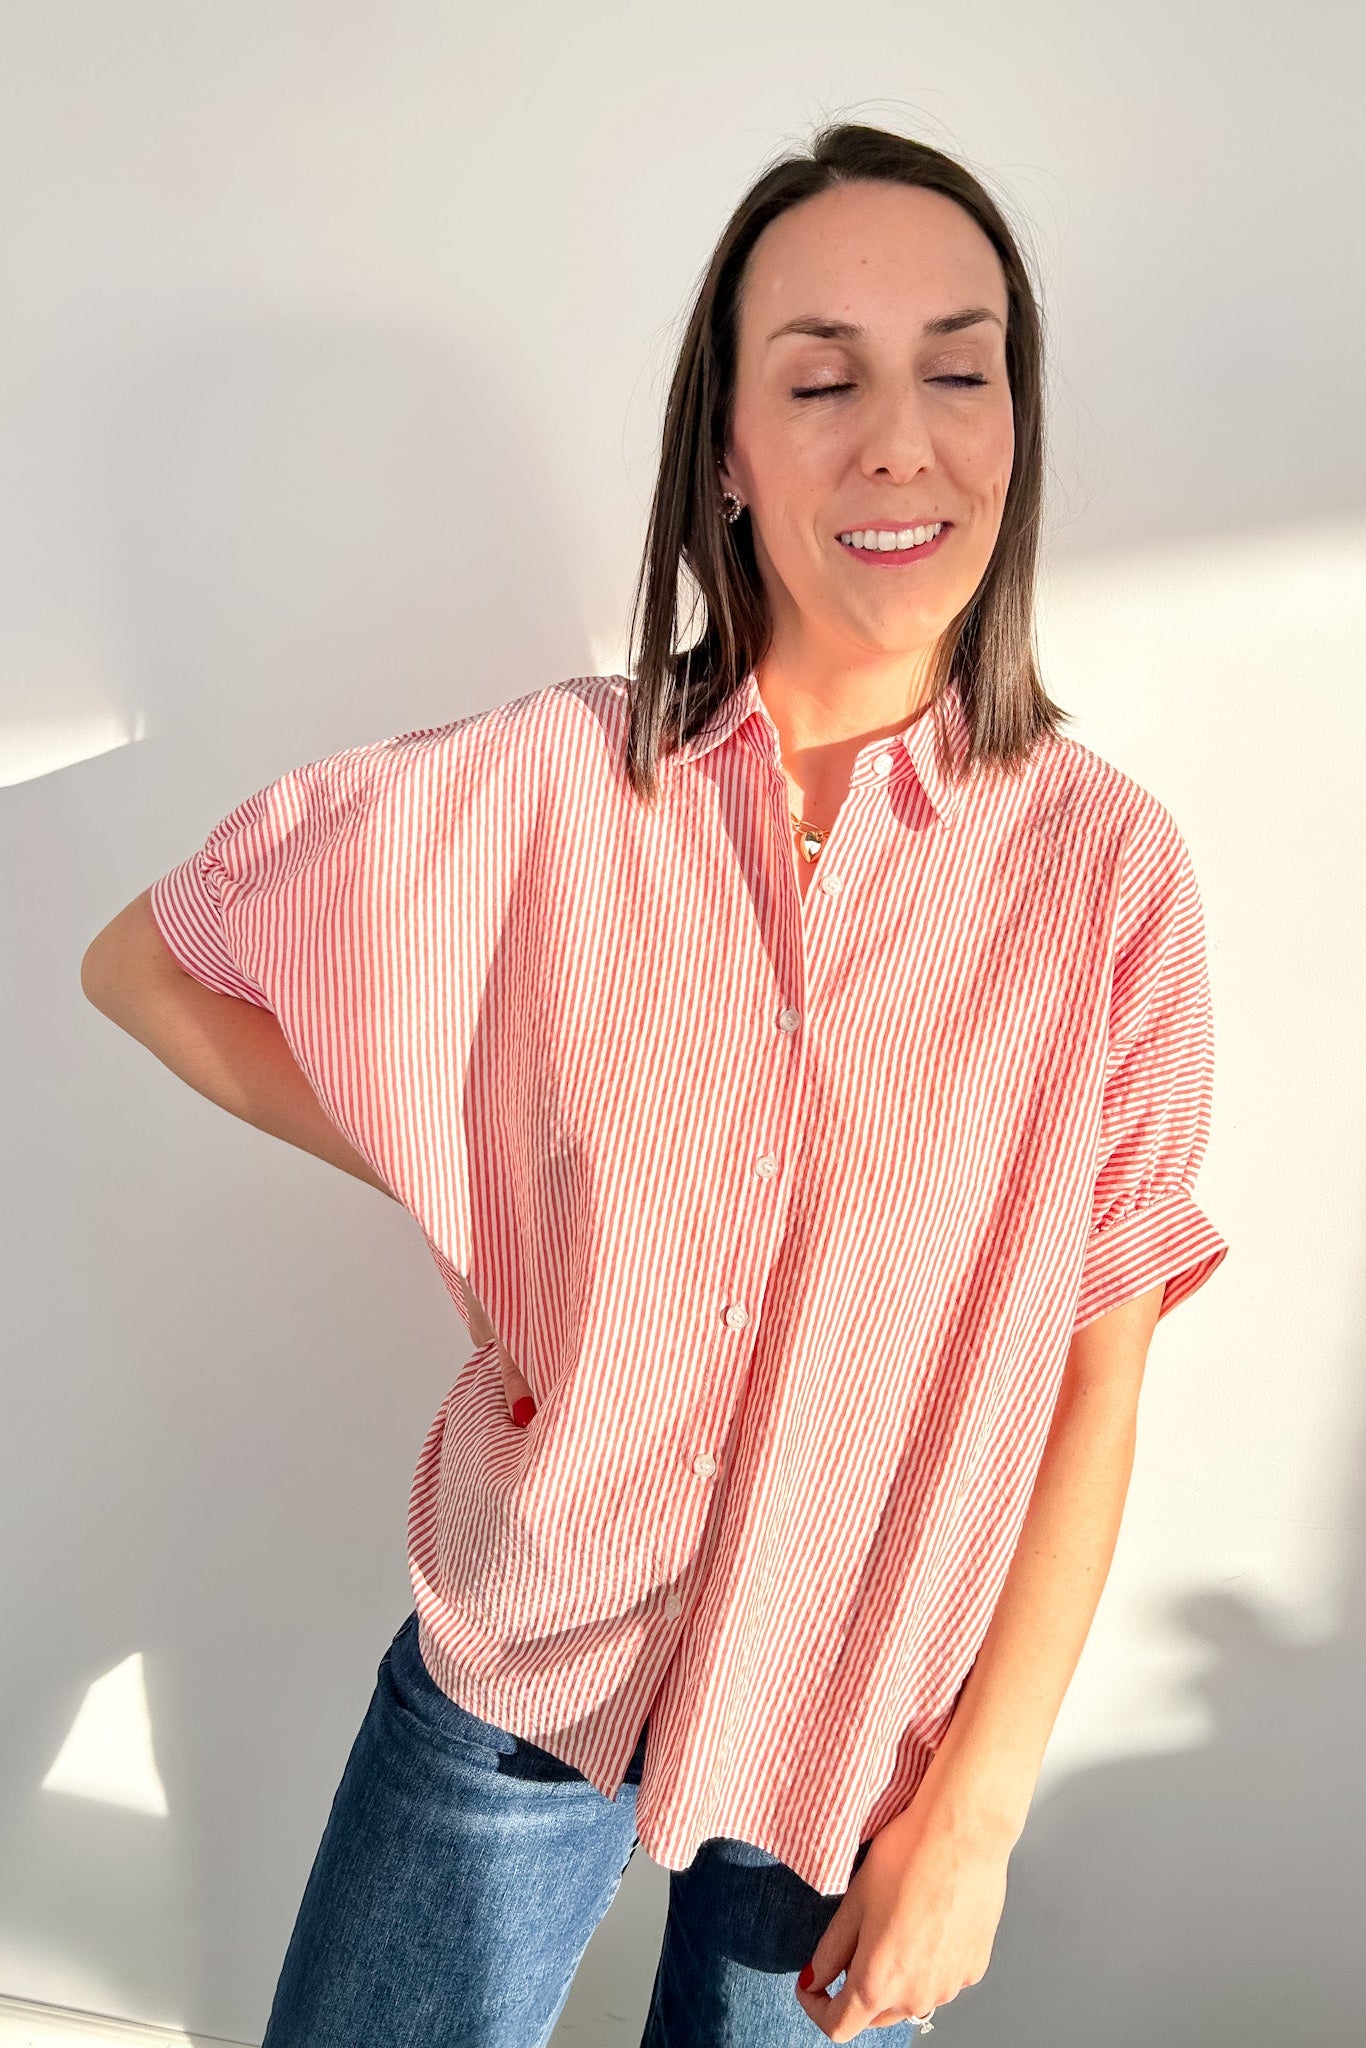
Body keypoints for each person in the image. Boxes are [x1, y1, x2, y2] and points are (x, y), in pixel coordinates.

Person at [81, 121, 1229, 2047]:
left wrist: (975, 1817)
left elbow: (1093, 1381)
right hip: (527, 1656)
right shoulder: (552, 785)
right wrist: (494, 1191)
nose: (899, 442)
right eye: (822, 381)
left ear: (1013, 429)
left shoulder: (1105, 875)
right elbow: (155, 962)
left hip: (860, 1731)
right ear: (728, 451)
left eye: (958, 373)